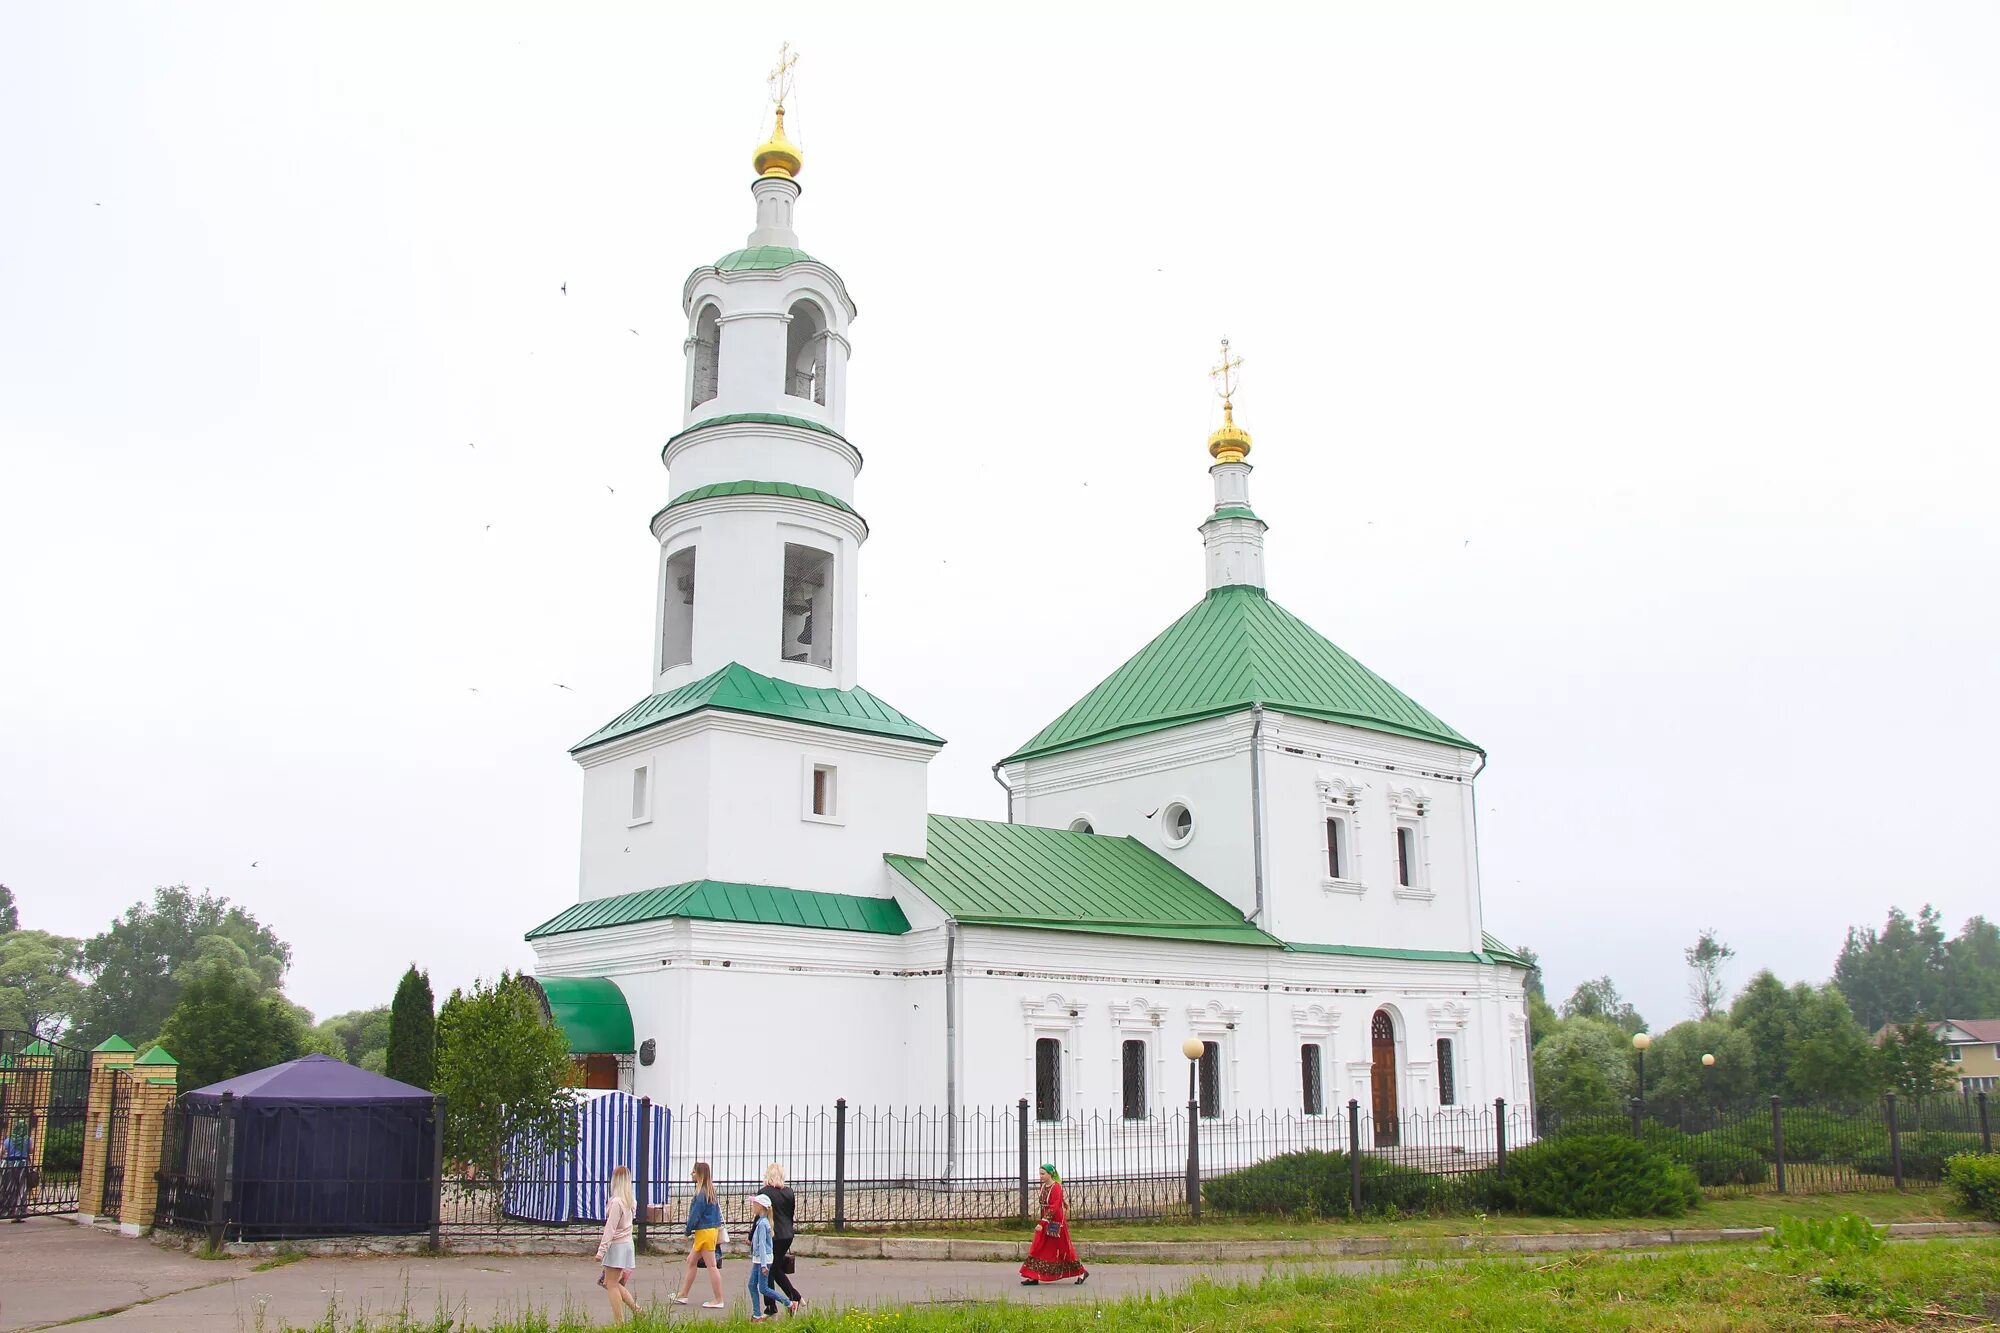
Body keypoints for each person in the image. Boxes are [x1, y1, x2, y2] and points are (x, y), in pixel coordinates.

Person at [671, 1160, 727, 1309]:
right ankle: (683, 1294)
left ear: (700, 1174)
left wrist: (687, 1232)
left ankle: (718, 1298)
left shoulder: (701, 1193)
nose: (691, 1174)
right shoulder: (709, 1191)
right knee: (691, 1261)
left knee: (711, 1266)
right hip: (709, 1232)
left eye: (694, 1171)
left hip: (704, 1233)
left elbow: (695, 1215)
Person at [1019, 1164, 1087, 1286]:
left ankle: (1081, 1271)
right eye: (1040, 1174)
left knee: (1063, 1248)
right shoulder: (1044, 1186)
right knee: (1039, 1245)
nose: (1041, 1176)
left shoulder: (1056, 1187)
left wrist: (1043, 1222)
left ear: (1050, 1174)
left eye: (1043, 1174)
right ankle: (1034, 1276)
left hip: (1055, 1221)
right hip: (1046, 1218)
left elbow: (1055, 1206)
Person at [593, 1164, 642, 1323]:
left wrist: (601, 1250)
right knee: (611, 1282)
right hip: (627, 1244)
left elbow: (610, 1228)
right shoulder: (630, 1200)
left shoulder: (616, 1202)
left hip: (617, 1246)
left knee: (611, 1284)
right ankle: (637, 1310)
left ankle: (619, 1323)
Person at [760, 1163, 803, 1316]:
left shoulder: (764, 1192)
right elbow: (790, 1215)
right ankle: (795, 1297)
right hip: (787, 1235)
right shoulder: (789, 1192)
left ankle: (771, 1306)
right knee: (775, 1269)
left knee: (768, 1271)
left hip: (773, 1236)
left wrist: (752, 1236)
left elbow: (760, 1215)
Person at [745, 1191, 795, 1321]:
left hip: (763, 1261)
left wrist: (763, 1265)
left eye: (754, 1204)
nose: (753, 1206)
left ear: (761, 1207)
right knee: (752, 1285)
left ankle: (789, 1303)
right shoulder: (762, 1222)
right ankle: (756, 1315)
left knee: (764, 1288)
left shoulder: (762, 1224)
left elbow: (762, 1245)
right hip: (760, 1260)